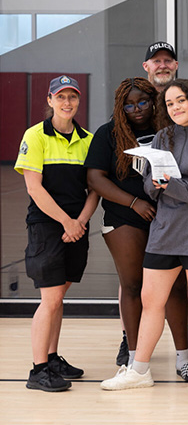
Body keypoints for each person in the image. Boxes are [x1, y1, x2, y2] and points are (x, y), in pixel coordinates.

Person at [100, 79, 188, 393]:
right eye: (170, 104)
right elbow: (149, 185)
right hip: (165, 231)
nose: (174, 108)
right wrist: (154, 183)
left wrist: (175, 186)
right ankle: (140, 370)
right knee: (151, 300)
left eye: (180, 101)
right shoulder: (162, 136)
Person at [85, 77, 188, 382]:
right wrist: (134, 203)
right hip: (125, 217)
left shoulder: (171, 130)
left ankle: (184, 358)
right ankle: (135, 360)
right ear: (120, 107)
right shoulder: (108, 133)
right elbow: (95, 178)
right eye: (129, 104)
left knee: (176, 286)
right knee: (133, 285)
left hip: (169, 218)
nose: (136, 109)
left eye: (143, 102)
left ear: (154, 101)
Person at [16, 75, 99, 392]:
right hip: (48, 227)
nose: (67, 103)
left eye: (72, 97)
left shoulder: (87, 139)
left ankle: (51, 357)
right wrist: (67, 222)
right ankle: (38, 371)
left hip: (76, 227)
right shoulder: (35, 136)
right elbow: (33, 188)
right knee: (49, 300)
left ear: (79, 101)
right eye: (60, 97)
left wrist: (79, 223)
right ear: (49, 100)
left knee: (58, 298)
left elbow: (95, 189)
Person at [138, 40, 188, 364]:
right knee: (139, 284)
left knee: (186, 285)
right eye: (155, 60)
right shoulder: (135, 100)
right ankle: (131, 343)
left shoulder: (187, 105)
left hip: (182, 208)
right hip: (143, 205)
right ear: (146, 66)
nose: (162, 65)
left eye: (167, 61)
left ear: (175, 65)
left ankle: (185, 341)